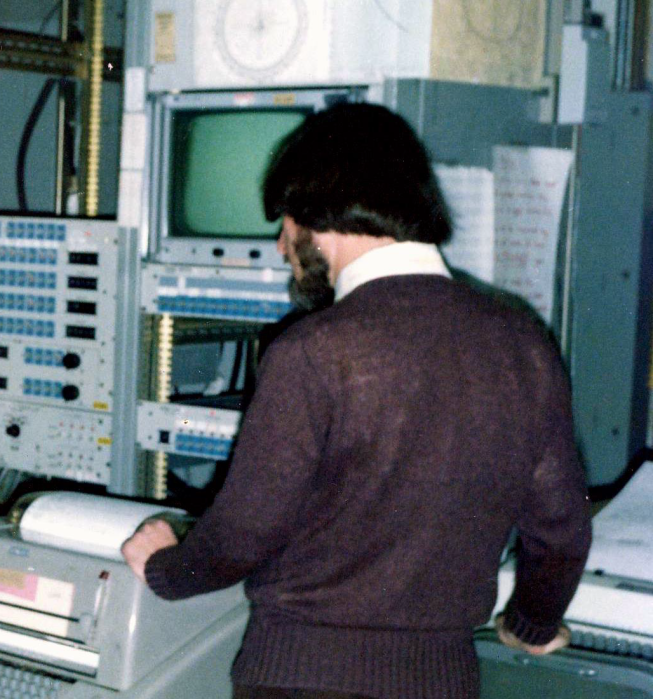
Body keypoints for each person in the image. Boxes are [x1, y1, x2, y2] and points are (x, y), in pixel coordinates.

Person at [121, 103, 592, 699]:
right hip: (442, 683)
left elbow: (243, 533)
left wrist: (165, 566)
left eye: (284, 222)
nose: (280, 247)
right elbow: (563, 529)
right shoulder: (522, 341)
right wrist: (532, 623)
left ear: (318, 210)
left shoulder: (313, 352)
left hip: (300, 679)